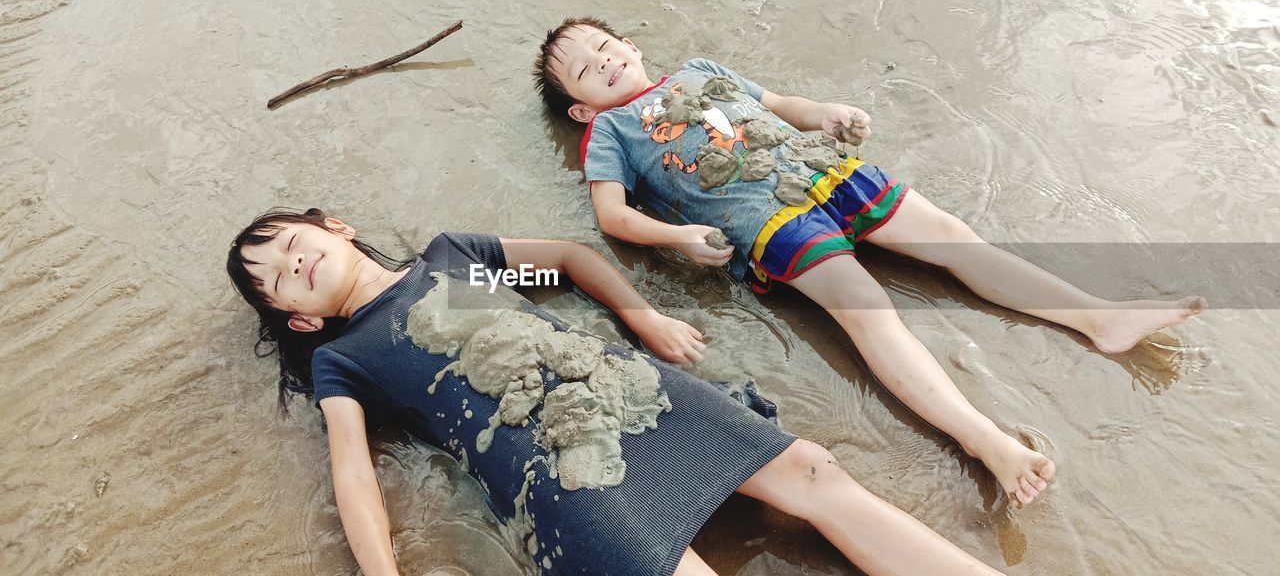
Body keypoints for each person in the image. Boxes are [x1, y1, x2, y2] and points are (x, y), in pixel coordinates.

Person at [531, 16, 1207, 507]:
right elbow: (613, 216)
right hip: (771, 223)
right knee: (869, 311)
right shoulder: (612, 132)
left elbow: (774, 107)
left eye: (604, 45)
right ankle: (986, 440)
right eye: (587, 70)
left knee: (951, 235)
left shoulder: (702, 72)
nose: (605, 61)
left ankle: (1098, 318)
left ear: (631, 44)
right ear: (584, 105)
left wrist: (825, 113)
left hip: (828, 172)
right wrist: (678, 238)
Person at [227, 208, 1009, 576]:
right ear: (298, 318)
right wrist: (380, 571)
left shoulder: (456, 258)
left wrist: (645, 316)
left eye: (294, 245)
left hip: (631, 392)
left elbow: (563, 260)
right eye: (279, 281)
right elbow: (354, 473)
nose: (295, 265)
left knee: (814, 473)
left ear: (334, 225)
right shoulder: (347, 363)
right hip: (554, 474)